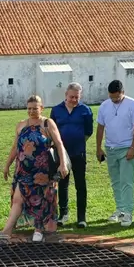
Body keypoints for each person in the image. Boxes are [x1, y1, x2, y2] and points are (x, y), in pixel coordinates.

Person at [0, 95, 69, 243]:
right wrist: (7, 165)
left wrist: (63, 164)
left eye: (35, 108)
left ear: (41, 108)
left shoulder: (47, 123)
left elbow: (59, 143)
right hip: (23, 170)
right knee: (17, 199)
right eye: (29, 108)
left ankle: (38, 230)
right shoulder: (21, 125)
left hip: (43, 170)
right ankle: (6, 231)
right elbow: (15, 147)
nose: (32, 111)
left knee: (41, 200)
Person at [96, 80, 134, 227]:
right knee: (116, 181)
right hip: (110, 148)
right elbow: (100, 127)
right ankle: (120, 209)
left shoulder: (132, 104)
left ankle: (128, 212)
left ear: (123, 92)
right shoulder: (104, 106)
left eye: (117, 97)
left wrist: (133, 148)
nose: (114, 100)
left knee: (126, 181)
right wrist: (98, 148)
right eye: (112, 97)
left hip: (126, 147)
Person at [51, 82, 93, 228]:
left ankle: (81, 217)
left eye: (77, 97)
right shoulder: (56, 110)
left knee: (80, 184)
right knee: (63, 184)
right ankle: (63, 214)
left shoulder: (85, 110)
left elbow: (88, 131)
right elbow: (52, 131)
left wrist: (78, 142)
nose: (74, 100)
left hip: (79, 153)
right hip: (62, 154)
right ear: (66, 95)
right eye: (71, 97)